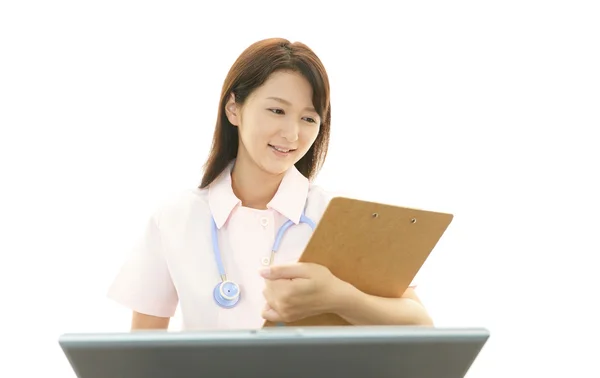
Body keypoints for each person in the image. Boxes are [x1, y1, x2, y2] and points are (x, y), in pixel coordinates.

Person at [107, 38, 434, 331]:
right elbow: (144, 349)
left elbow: (420, 323)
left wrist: (338, 297)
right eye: (277, 110)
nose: (292, 134)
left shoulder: (336, 216)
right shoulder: (177, 217)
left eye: (308, 118)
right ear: (234, 108)